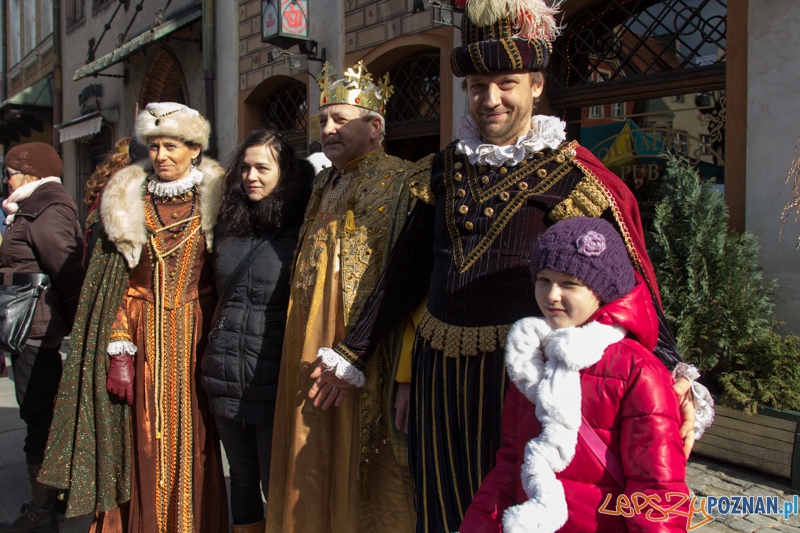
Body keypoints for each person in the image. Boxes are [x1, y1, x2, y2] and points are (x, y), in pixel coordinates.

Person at [313, 0, 713, 531]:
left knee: (513, 509)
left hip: (523, 380)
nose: (491, 99)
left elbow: (625, 280)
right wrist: (353, 350)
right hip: (438, 376)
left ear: (536, 85)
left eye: (506, 83)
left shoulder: (572, 175)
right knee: (442, 507)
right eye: (478, 86)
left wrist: (672, 370)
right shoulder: (442, 169)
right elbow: (406, 271)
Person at [39, 102, 229, 532]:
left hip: (198, 333)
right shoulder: (125, 202)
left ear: (194, 149)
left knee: (197, 437)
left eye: (171, 146)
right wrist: (118, 344)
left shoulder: (220, 200)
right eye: (154, 146)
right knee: (141, 437)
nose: (161, 155)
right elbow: (110, 285)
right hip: (141, 333)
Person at [265, 61, 430, 533]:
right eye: (323, 121)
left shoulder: (406, 181)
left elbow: (414, 283)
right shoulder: (324, 182)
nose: (327, 130)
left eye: (340, 119)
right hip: (307, 347)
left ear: (375, 127)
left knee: (367, 469)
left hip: (368, 356)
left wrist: (407, 372)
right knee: (309, 451)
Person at [460, 217, 690, 532]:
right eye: (543, 280)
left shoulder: (638, 372)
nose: (552, 295)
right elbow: (511, 461)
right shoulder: (530, 362)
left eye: (569, 283)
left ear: (602, 291)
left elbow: (657, 490)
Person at [201, 128, 312, 533]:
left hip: (274, 374)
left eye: (263, 168)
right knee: (242, 477)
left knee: (276, 480)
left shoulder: (303, 228)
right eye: (245, 168)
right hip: (224, 371)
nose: (251, 176)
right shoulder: (226, 224)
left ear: (284, 172)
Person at [0, 142, 85, 533]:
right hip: (31, 324)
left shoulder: (45, 208)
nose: (6, 180)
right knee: (45, 412)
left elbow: (67, 270)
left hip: (35, 327)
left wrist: (76, 322)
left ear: (30, 173)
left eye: (9, 172)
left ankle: (41, 511)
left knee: (38, 414)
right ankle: (53, 497)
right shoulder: (32, 206)